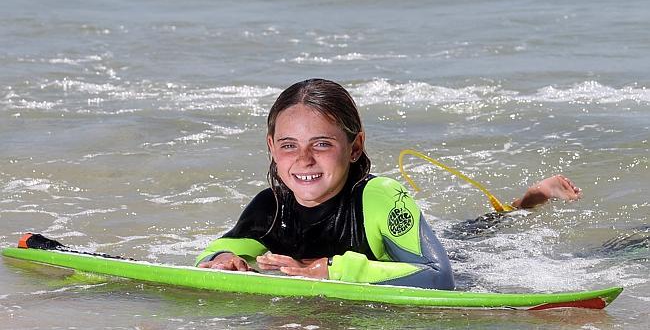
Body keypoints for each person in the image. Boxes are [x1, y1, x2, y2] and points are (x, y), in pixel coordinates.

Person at [195, 78, 582, 290]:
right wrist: (222, 261)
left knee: (476, 234)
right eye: (289, 146)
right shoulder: (271, 203)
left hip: (448, 259)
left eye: (322, 144)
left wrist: (328, 271)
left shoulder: (382, 197)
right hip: (368, 263)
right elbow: (235, 241)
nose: (304, 160)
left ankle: (529, 200)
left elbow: (437, 275)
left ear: (354, 146)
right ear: (271, 148)